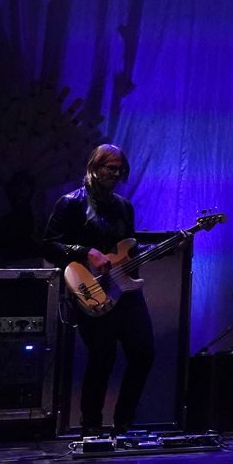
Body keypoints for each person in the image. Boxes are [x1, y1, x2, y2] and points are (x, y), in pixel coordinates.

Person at [41, 144, 155, 436]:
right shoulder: (71, 203)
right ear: (94, 167)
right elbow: (49, 244)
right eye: (110, 168)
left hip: (126, 290)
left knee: (144, 353)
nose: (116, 174)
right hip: (90, 288)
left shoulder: (123, 206)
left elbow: (127, 247)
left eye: (120, 169)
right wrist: (85, 251)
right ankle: (90, 425)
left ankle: (124, 422)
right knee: (102, 356)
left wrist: (157, 250)